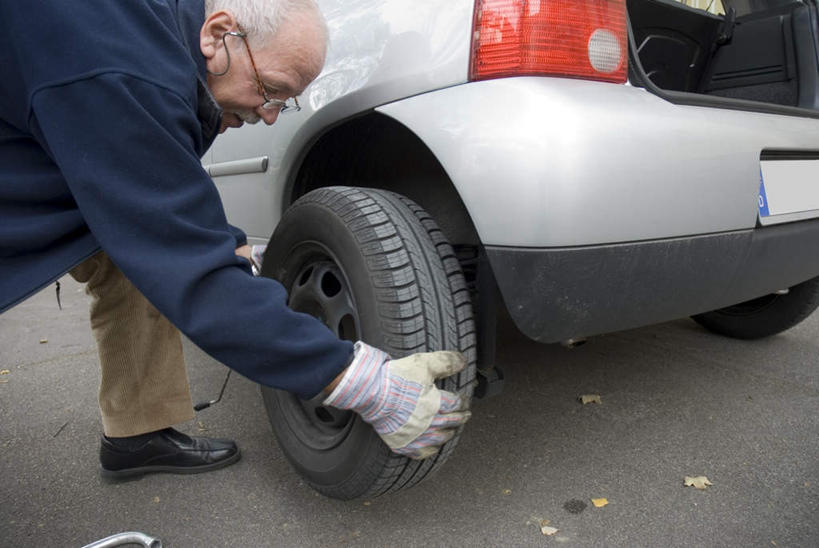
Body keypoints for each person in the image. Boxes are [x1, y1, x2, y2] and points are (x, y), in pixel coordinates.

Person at [0, 0, 470, 479]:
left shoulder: (149, 37)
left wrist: (231, 248)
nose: (269, 116)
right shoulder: (121, 67)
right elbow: (192, 270)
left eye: (281, 103)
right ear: (218, 34)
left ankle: (136, 437)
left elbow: (159, 191)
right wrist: (361, 383)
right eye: (271, 90)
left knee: (132, 261)